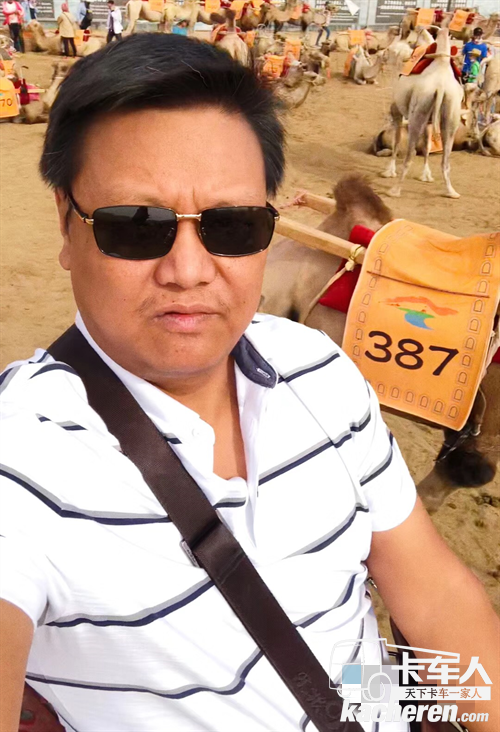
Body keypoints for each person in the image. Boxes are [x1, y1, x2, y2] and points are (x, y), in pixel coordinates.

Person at [0, 33, 499, 732]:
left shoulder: (322, 371)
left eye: (232, 226)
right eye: (136, 225)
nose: (188, 271)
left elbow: (438, 596)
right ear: (65, 222)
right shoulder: (23, 458)